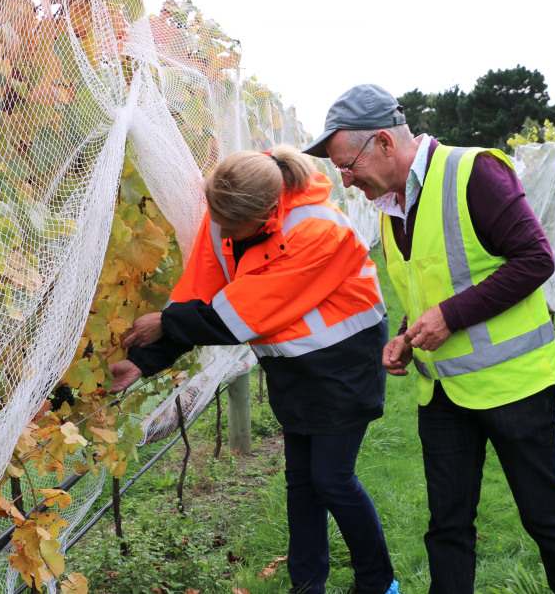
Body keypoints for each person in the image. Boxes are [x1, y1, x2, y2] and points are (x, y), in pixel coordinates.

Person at [301, 84, 555, 594]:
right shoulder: (391, 206)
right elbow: (429, 289)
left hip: (515, 387)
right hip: (443, 392)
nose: (347, 182)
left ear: (386, 145)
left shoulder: (474, 171)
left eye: (348, 166)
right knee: (447, 527)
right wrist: (406, 336)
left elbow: (535, 258)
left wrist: (450, 317)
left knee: (546, 519)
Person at [107, 144, 400, 594]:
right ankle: (307, 585)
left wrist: (165, 322)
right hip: (293, 368)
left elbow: (239, 316)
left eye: (233, 226)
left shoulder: (318, 231)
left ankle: (378, 585)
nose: (222, 231)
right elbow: (198, 297)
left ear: (268, 211)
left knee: (333, 480)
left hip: (343, 365)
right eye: (218, 221)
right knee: (301, 481)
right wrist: (144, 361)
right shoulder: (226, 211)